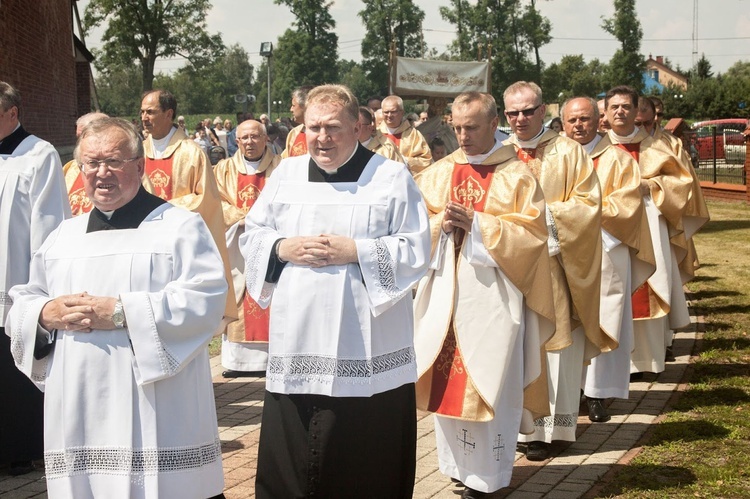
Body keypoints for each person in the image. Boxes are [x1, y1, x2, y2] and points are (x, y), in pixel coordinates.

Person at [6, 117, 227, 498]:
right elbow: (23, 299)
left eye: (113, 161)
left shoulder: (179, 227)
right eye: (90, 163)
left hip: (158, 404)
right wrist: (45, 314)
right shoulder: (63, 236)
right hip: (80, 405)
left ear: (139, 167)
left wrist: (123, 312)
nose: (101, 173)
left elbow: (204, 300)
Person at [240, 84, 430, 498]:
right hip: (300, 343)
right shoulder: (286, 175)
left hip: (366, 347)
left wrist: (357, 251)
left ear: (357, 127)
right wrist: (281, 247)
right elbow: (251, 235)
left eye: (332, 128)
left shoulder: (389, 176)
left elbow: (416, 248)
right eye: (313, 128)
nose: (322, 138)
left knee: (361, 462)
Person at [413, 91, 555, 498]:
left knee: (490, 377)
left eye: (471, 127)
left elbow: (532, 236)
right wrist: (441, 224)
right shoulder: (439, 173)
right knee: (446, 381)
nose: (462, 136)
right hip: (445, 296)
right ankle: (457, 467)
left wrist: (478, 225)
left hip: (493, 296)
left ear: (495, 124)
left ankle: (490, 477)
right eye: (456, 127)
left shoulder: (517, 175)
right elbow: (414, 229)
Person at [502, 81, 607, 461]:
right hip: (511, 269)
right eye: (513, 112)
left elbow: (587, 204)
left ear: (543, 110)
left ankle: (555, 430)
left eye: (528, 110)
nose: (520, 119)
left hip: (553, 266)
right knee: (518, 347)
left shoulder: (569, 151)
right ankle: (521, 427)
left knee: (555, 344)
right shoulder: (499, 155)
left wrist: (542, 220)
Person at [562, 97, 654, 423]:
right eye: (572, 120)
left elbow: (626, 205)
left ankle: (598, 394)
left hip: (604, 250)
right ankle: (570, 390)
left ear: (597, 120)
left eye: (585, 119)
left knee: (603, 318)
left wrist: (582, 218)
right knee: (568, 323)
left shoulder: (617, 160)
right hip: (562, 253)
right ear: (563, 123)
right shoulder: (554, 159)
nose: (578, 126)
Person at [0, 81, 70, 476]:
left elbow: (48, 223)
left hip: (14, 280)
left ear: (12, 113)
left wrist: (40, 283)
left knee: (15, 365)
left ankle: (20, 448)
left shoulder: (39, 154)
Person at [602, 86, 693, 376]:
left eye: (626, 107)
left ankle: (645, 361)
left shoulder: (655, 148)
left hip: (649, 228)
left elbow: (681, 185)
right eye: (614, 107)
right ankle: (610, 368)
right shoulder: (595, 149)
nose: (620, 112)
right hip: (608, 234)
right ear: (605, 112)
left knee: (648, 286)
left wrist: (651, 186)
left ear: (636, 110)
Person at [140, 89, 236, 321]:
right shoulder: (138, 151)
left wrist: (161, 209)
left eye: (150, 112)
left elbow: (207, 199)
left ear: (168, 114)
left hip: (179, 243)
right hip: (143, 240)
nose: (144, 117)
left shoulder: (191, 152)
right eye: (142, 111)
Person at [214, 119, 280, 378]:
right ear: (236, 141)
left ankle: (272, 357)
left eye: (255, 137)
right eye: (244, 138)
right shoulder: (224, 169)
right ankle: (238, 361)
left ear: (266, 139)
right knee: (238, 291)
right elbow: (215, 199)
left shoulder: (280, 167)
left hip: (271, 239)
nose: (250, 142)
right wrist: (238, 217)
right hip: (237, 239)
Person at [62, 112, 108, 215]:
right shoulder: (70, 167)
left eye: (85, 137)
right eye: (78, 138)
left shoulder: (120, 168)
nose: (80, 144)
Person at [378, 95, 432, 174]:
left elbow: (426, 160)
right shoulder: (376, 134)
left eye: (393, 112)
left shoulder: (414, 135)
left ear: (402, 112)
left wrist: (404, 161)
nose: (389, 115)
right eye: (386, 112)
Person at [282, 85, 313, 158]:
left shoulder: (325, 134)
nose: (291, 109)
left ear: (305, 106)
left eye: (293, 105)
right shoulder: (294, 133)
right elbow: (284, 161)